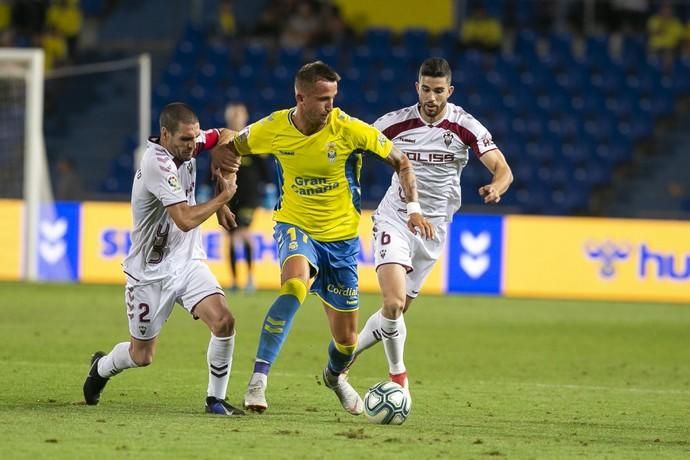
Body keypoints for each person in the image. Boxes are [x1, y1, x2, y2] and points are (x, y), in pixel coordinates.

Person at [211, 61, 434, 415]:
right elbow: (229, 149)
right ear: (300, 97)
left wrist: (414, 209)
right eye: (322, 98)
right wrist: (222, 199)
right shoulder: (273, 127)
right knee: (295, 285)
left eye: (333, 97)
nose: (330, 105)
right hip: (295, 225)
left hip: (342, 241)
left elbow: (402, 162)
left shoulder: (349, 129)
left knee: (346, 342)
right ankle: (258, 378)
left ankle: (334, 378)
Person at [352, 57, 513, 392]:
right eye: (425, 89)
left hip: (434, 229)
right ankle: (399, 377)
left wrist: (496, 186)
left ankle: (342, 356)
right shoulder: (393, 124)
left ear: (449, 91)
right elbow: (352, 148)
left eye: (439, 91)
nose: (431, 97)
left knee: (394, 313)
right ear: (417, 88)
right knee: (393, 302)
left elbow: (503, 169)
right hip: (395, 217)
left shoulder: (465, 126)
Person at [83, 102, 245, 416]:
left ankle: (215, 400)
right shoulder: (157, 163)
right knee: (142, 356)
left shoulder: (192, 143)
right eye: (185, 140)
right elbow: (184, 219)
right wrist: (223, 198)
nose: (192, 145)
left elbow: (228, 134)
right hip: (149, 274)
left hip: (187, 263)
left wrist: (219, 165)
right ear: (165, 134)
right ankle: (100, 368)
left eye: (195, 138)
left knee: (224, 321)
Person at [224, 102, 268, 292]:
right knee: (232, 237)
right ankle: (235, 281)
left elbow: (264, 169)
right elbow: (215, 168)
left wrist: (269, 189)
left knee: (243, 234)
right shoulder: (223, 141)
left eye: (239, 115)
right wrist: (206, 188)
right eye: (233, 116)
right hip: (228, 197)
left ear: (245, 117)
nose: (236, 119)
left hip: (249, 197)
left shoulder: (252, 141)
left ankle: (250, 278)